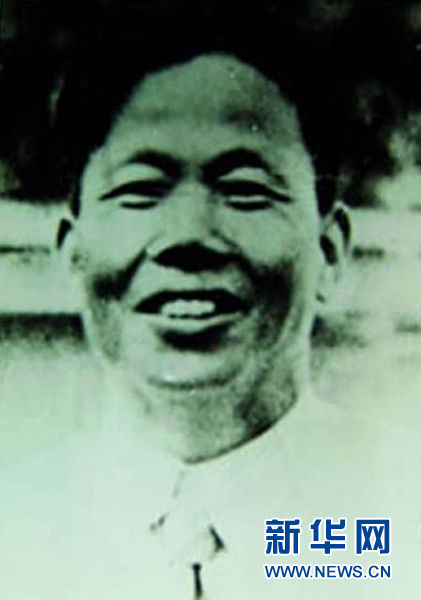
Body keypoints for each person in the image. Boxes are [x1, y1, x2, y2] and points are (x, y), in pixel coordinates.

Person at [0, 9, 419, 599]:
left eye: (245, 190)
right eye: (140, 190)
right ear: (72, 254)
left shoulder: (400, 517)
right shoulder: (15, 526)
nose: (189, 235)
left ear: (329, 251)